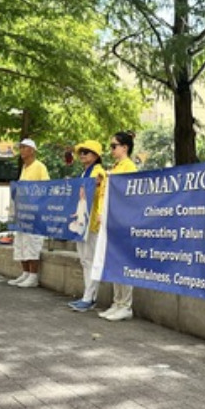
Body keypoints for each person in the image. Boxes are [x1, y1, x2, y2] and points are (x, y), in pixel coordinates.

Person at [99, 131, 139, 322]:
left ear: (125, 147)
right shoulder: (116, 167)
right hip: (111, 220)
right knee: (114, 263)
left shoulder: (129, 167)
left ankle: (126, 305)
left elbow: (127, 196)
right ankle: (117, 302)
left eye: (114, 146)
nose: (112, 150)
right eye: (111, 146)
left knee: (124, 263)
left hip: (123, 220)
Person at [68, 139, 107, 312]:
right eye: (81, 152)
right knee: (85, 260)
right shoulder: (84, 173)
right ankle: (88, 296)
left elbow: (103, 190)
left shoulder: (98, 172)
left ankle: (89, 297)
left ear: (96, 156)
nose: (83, 155)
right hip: (82, 222)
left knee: (91, 260)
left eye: (87, 152)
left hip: (92, 224)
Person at [7, 139, 50, 288]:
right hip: (22, 213)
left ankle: (33, 276)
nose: (21, 151)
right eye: (20, 148)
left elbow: (46, 187)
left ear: (32, 150)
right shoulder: (24, 168)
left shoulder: (39, 167)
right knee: (21, 243)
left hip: (34, 214)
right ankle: (25, 273)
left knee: (32, 244)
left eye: (24, 148)